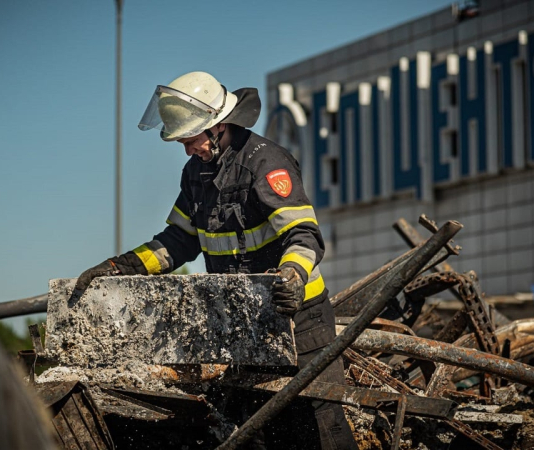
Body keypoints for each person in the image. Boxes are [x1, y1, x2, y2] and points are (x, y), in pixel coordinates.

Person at [75, 71, 358, 450]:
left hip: (299, 320)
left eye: (190, 140)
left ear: (218, 125)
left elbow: (303, 235)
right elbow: (177, 241)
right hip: (244, 325)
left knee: (318, 428)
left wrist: (291, 275)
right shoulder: (195, 173)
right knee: (256, 433)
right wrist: (119, 267)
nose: (186, 149)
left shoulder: (266, 163)